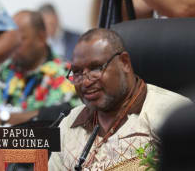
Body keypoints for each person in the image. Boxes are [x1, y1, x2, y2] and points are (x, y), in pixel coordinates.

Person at [48, 28, 192, 170]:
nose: (85, 82)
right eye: (77, 72)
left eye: (96, 68)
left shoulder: (172, 114)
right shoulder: (68, 124)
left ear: (124, 63)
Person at [0, 10, 80, 126]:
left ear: (41, 37)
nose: (13, 45)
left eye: (21, 39)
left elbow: (71, 113)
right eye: (11, 40)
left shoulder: (66, 74)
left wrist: (8, 118)